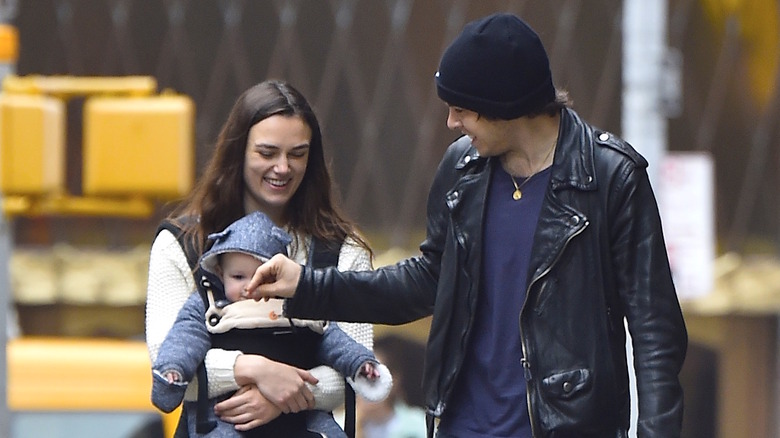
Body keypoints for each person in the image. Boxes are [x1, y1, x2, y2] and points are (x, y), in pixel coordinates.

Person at [245, 13, 688, 438]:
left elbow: (655, 334)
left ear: (506, 104)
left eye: (462, 109)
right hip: (461, 425)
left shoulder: (610, 177)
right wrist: (307, 286)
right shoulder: (463, 168)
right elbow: (426, 283)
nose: (451, 123)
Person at [145, 79, 375, 435]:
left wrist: (281, 397)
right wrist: (254, 370)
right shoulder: (182, 243)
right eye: (267, 153)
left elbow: (358, 372)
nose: (283, 168)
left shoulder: (343, 249)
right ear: (238, 154)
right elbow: (168, 370)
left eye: (297, 154)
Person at [151, 211, 391, 437]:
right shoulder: (210, 306)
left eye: (261, 275)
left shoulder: (297, 306)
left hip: (299, 414)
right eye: (238, 277)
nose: (249, 286)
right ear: (219, 273)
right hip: (225, 412)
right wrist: (173, 370)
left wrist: (361, 364)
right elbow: (184, 339)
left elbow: (332, 339)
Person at [357, 334, 426, 438]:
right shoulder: (338, 423)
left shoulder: (418, 426)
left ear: (394, 379)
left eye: (373, 377)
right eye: (361, 376)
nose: (365, 384)